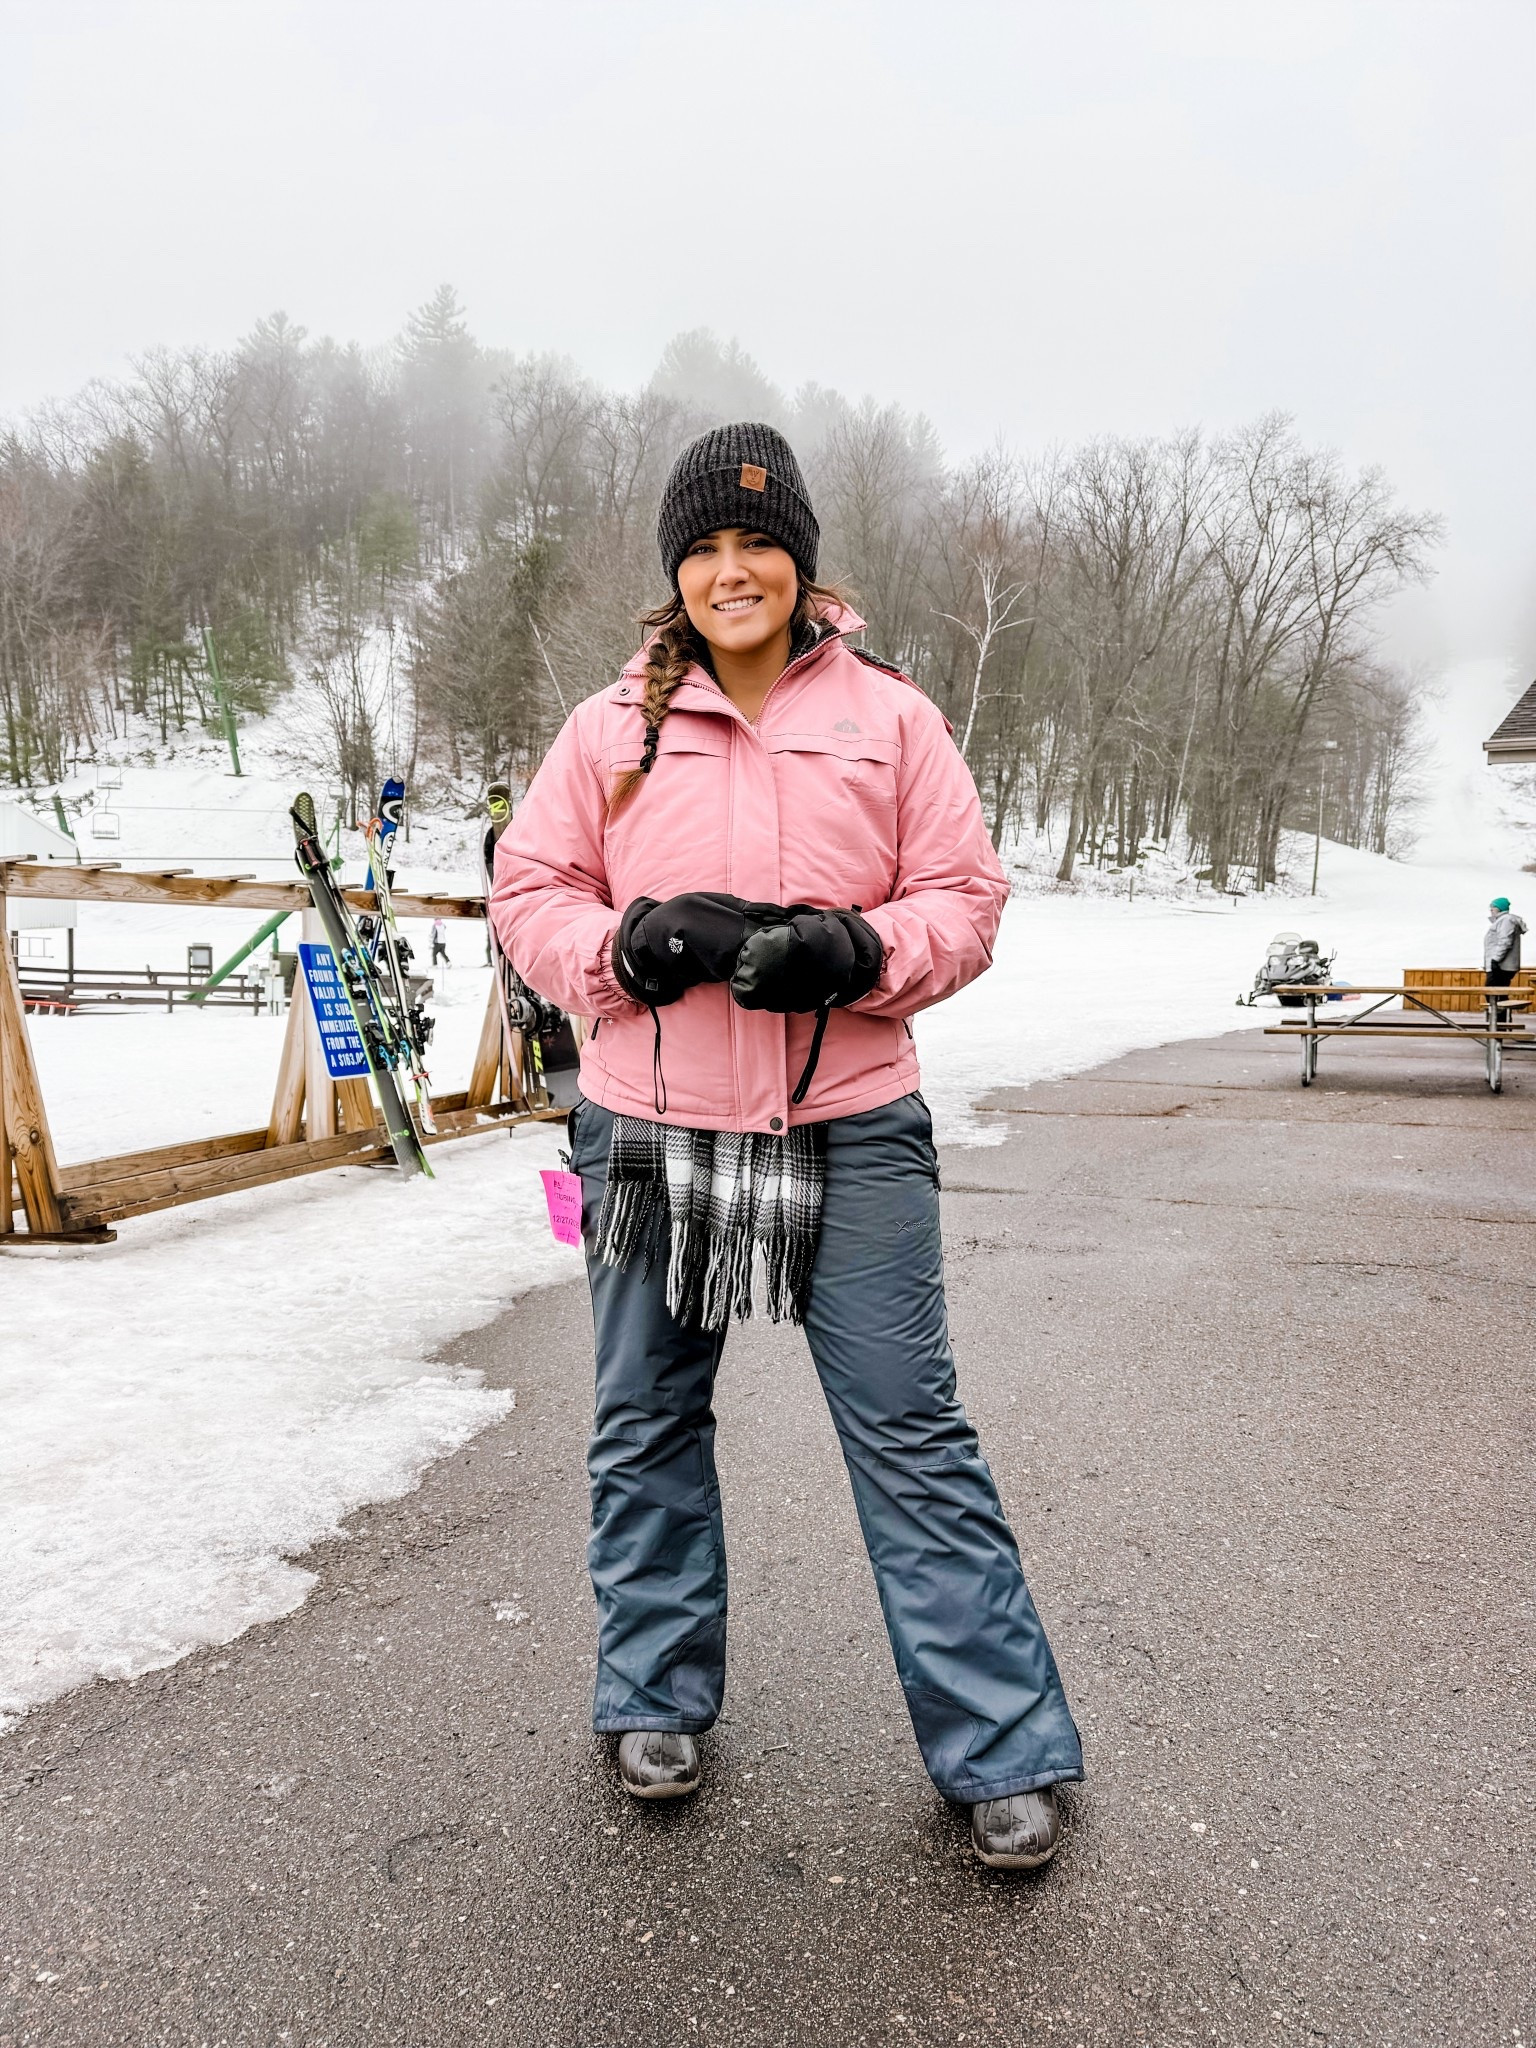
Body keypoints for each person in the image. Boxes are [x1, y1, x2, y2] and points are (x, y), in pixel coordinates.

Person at [491, 423, 1083, 1870]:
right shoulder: (606, 729)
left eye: (757, 541)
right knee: (644, 1417)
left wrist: (859, 950)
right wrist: (624, 944)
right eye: (703, 547)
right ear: (676, 572)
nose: (731, 569)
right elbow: (530, 887)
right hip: (648, 1127)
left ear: (801, 560)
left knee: (911, 1431)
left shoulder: (894, 718)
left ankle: (1000, 1745)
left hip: (849, 1126)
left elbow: (965, 896)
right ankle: (652, 1692)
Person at [1484, 896, 1525, 989]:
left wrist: (1495, 960)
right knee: (1499, 992)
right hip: (1502, 965)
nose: (1491, 909)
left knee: (1492, 991)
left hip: (1501, 965)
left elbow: (1505, 941)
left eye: (1493, 906)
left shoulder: (1506, 920)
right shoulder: (1503, 920)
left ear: (1499, 908)